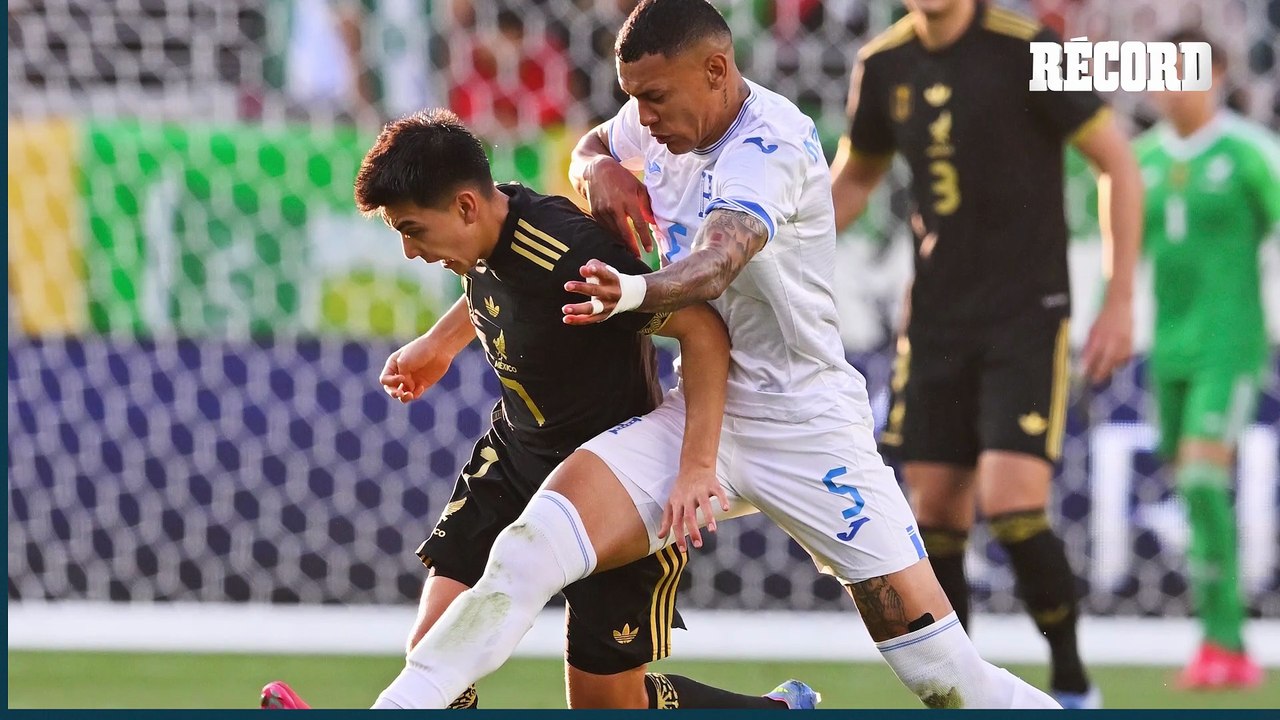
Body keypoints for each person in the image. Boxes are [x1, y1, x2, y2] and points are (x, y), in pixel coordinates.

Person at [371, 1, 1060, 710]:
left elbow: (716, 265)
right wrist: (596, 165)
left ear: (715, 70)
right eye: (633, 98)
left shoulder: (771, 147)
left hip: (807, 426)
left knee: (946, 679)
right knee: (529, 546)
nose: (643, 117)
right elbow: (596, 143)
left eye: (654, 98)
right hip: (703, 409)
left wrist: (632, 292)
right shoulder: (659, 118)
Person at [259, 109, 818, 710]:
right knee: (436, 652)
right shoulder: (490, 220)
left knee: (608, 706)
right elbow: (499, 277)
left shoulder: (571, 255)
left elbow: (702, 329)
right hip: (516, 458)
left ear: (465, 207)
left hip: (609, 483)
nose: (410, 251)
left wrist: (696, 465)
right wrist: (439, 344)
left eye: (413, 230)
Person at [827, 0, 1145, 708]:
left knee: (1011, 503)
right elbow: (854, 178)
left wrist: (1120, 298)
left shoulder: (1030, 48)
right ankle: (964, 697)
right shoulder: (883, 63)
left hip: (1026, 314)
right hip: (935, 319)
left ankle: (1073, 685)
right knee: (935, 511)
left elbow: (1117, 163)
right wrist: (768, 243)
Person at [1135, 29, 1276, 690]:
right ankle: (1219, 641)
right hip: (1166, 349)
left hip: (1230, 345)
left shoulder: (1251, 152)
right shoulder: (1138, 161)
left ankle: (1227, 644)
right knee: (1193, 488)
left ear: (1216, 74)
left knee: (1199, 479)